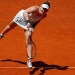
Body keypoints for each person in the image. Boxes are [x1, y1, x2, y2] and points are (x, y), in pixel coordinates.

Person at [0, 0, 50, 68]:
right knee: (10, 26)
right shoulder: (35, 8)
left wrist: (32, 27)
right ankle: (1, 35)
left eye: (45, 10)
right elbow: (26, 12)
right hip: (22, 16)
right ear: (40, 6)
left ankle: (29, 60)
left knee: (29, 40)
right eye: (43, 8)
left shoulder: (44, 15)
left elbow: (36, 22)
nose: (43, 10)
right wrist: (28, 22)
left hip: (30, 22)